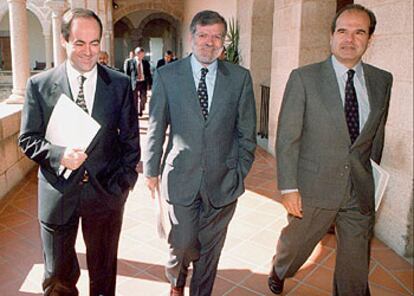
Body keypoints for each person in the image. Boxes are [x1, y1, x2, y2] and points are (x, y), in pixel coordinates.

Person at [267, 4, 393, 295]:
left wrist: (371, 177)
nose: (349, 39)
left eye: (359, 32)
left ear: (370, 39)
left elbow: (377, 134)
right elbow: (288, 137)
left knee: (355, 265)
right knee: (296, 246)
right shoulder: (304, 78)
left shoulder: (381, 80)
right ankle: (280, 268)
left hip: (358, 188)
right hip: (313, 187)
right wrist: (288, 188)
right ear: (331, 36)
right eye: (342, 31)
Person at [19, 8, 140, 296]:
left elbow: (131, 142)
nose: (89, 52)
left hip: (106, 194)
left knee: (103, 274)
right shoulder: (39, 85)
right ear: (64, 41)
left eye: (95, 43)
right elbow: (28, 138)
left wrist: (122, 185)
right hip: (58, 194)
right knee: (57, 279)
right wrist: (59, 154)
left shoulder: (120, 85)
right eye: (79, 43)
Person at [144, 10, 256, 296]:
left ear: (224, 41)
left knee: (210, 250)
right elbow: (157, 126)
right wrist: (151, 170)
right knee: (182, 242)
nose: (210, 42)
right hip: (180, 176)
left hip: (223, 180)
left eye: (217, 36)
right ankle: (176, 278)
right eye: (203, 35)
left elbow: (247, 132)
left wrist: (240, 170)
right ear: (191, 37)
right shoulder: (167, 75)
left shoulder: (240, 78)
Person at [124, 46, 152, 116]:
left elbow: (148, 74)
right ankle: (136, 113)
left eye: (143, 54)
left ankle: (141, 109)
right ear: (137, 54)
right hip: (134, 83)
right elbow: (127, 74)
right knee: (134, 99)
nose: (142, 56)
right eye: (141, 54)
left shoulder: (145, 63)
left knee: (143, 98)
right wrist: (127, 84)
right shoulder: (130, 62)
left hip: (143, 82)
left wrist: (150, 83)